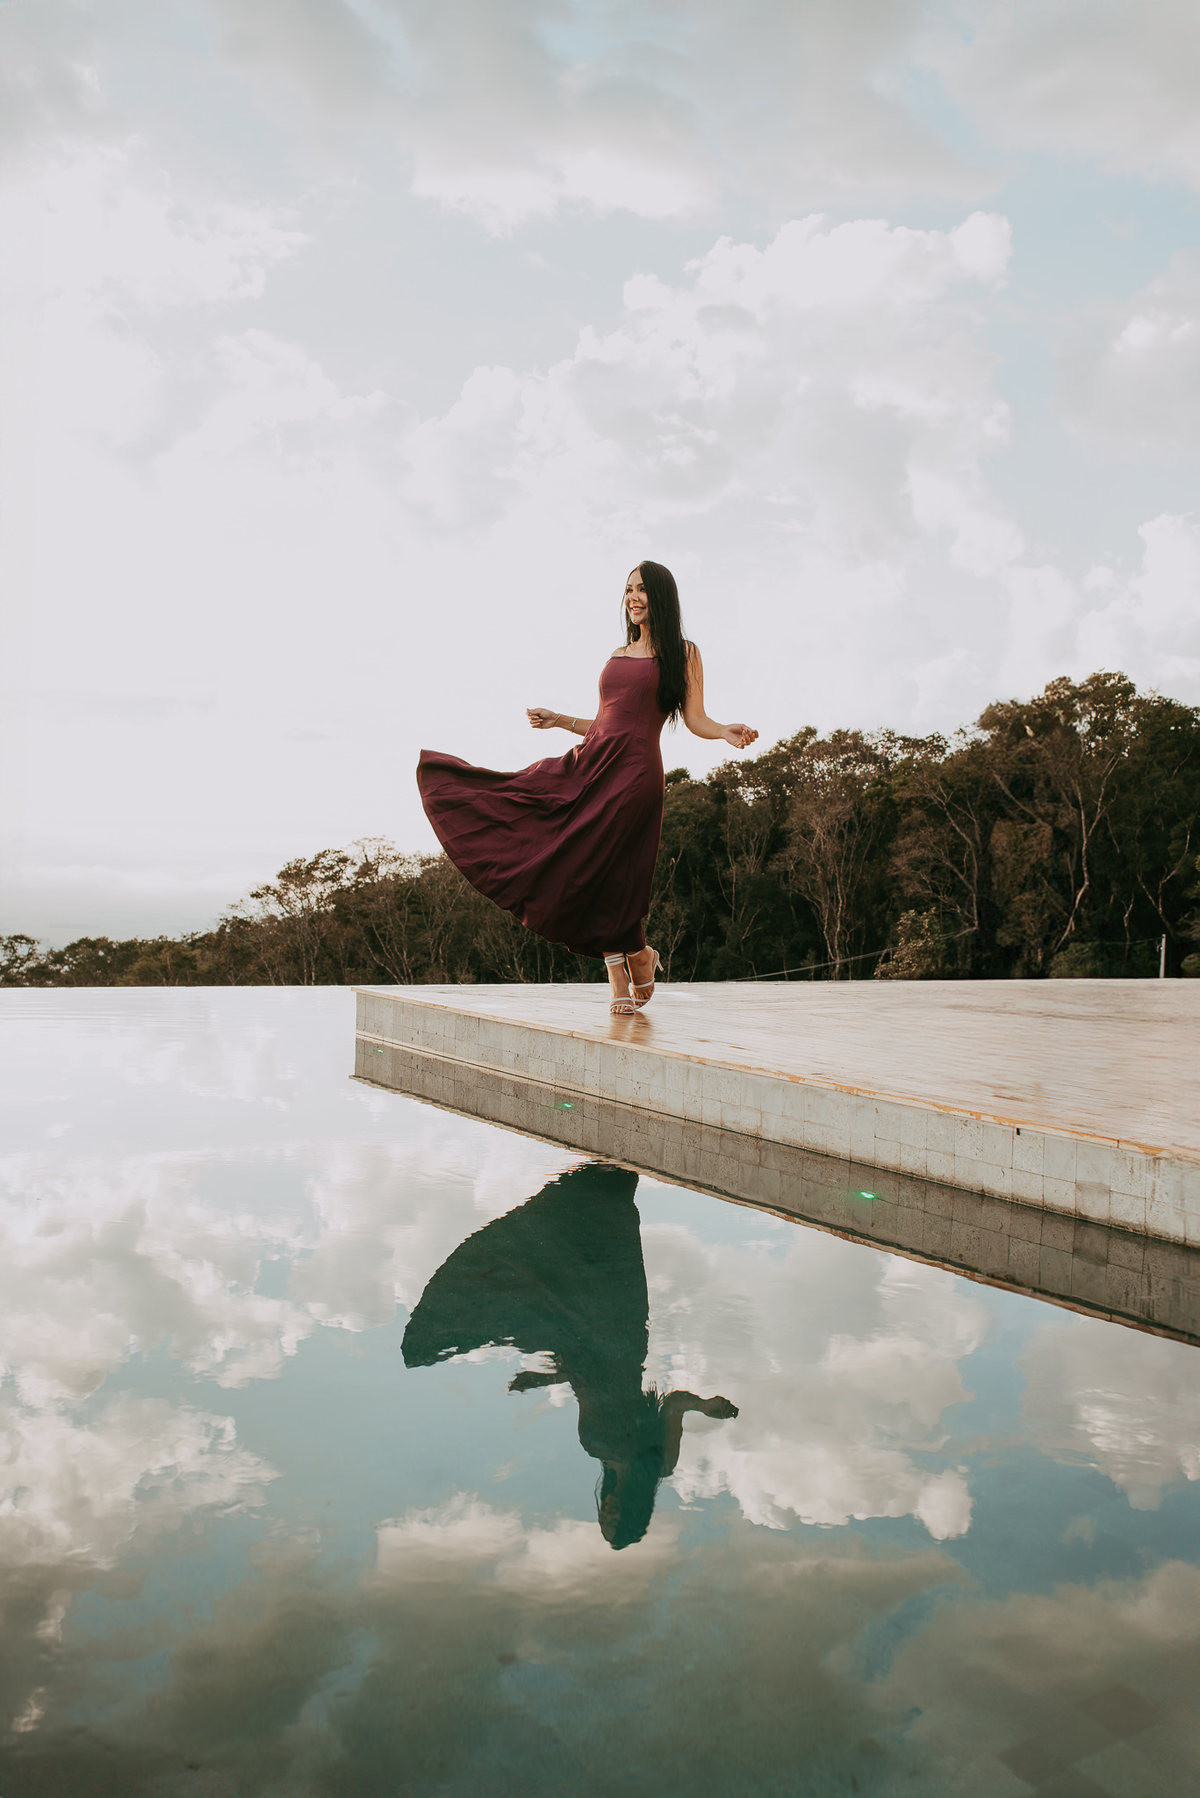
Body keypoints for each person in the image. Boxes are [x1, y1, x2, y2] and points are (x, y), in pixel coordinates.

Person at [417, 561, 757, 1013]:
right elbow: (604, 722)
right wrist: (558, 720)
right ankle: (631, 959)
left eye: (642, 590)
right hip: (591, 763)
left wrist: (724, 732)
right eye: (628, 589)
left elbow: (695, 718)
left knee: (615, 868)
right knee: (567, 852)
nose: (632, 597)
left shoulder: (684, 652)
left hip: (635, 771)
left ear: (661, 596)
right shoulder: (617, 654)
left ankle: (629, 961)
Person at [401, 1164, 739, 1552]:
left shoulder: (593, 1447)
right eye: (615, 1519)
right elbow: (674, 1404)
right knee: (609, 1257)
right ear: (632, 1513)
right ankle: (609, 1181)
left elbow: (586, 1386)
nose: (607, 1512)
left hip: (581, 1348)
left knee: (553, 1279)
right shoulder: (659, 1465)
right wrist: (705, 1404)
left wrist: (542, 1379)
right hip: (621, 1341)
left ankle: (594, 1186)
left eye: (603, 1519)